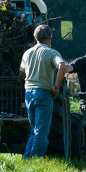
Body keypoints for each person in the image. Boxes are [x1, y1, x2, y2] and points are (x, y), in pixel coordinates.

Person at [19, 25, 68, 159]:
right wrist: (56, 88)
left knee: (34, 129)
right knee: (41, 131)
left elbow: (22, 72)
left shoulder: (27, 53)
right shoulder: (52, 53)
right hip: (43, 93)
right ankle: (35, 160)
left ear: (35, 37)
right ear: (50, 36)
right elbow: (62, 67)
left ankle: (27, 158)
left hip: (28, 93)